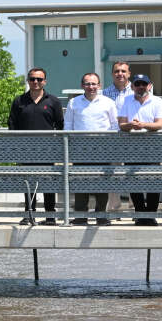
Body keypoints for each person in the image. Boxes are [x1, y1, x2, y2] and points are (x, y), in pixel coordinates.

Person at [9, 67, 64, 226]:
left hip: (47, 150)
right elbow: (12, 124)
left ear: (44, 81)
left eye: (39, 79)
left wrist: (55, 146)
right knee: (28, 183)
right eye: (32, 79)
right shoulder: (19, 101)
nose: (35, 82)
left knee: (48, 184)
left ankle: (50, 216)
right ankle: (29, 215)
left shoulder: (53, 101)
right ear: (28, 80)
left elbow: (60, 125)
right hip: (25, 150)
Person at [64, 72, 118, 225]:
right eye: (87, 84)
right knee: (81, 183)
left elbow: (114, 125)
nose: (91, 87)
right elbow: (68, 125)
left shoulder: (108, 102)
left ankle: (101, 216)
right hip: (80, 149)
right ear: (82, 86)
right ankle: (81, 216)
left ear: (99, 86)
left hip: (103, 149)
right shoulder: (74, 103)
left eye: (94, 84)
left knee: (102, 184)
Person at [118, 74, 162, 226]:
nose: (140, 87)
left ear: (149, 85)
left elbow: (159, 124)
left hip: (152, 147)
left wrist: (143, 125)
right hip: (132, 147)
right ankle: (140, 214)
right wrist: (131, 125)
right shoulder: (126, 100)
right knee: (133, 182)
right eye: (137, 84)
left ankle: (150, 215)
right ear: (132, 86)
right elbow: (121, 124)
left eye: (143, 84)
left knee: (153, 182)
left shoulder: (158, 101)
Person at [101, 61, 134, 218]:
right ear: (112, 73)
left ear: (129, 73)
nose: (120, 73)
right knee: (112, 173)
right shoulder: (105, 93)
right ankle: (114, 209)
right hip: (112, 139)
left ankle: (136, 209)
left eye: (123, 71)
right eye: (116, 71)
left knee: (132, 173)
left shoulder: (138, 90)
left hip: (133, 138)